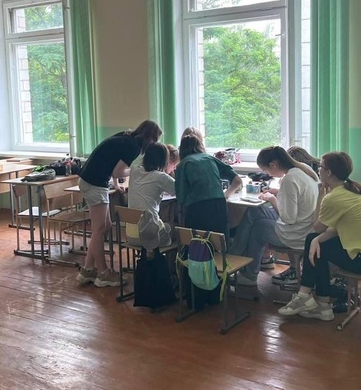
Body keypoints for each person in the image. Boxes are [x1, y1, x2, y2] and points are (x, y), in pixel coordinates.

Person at [278, 152, 361, 322]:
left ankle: (308, 297)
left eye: (320, 167)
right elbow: (337, 228)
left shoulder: (334, 197)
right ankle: (318, 303)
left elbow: (317, 227)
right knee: (315, 243)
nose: (318, 170)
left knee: (314, 242)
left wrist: (320, 196)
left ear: (329, 172)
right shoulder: (353, 190)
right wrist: (317, 240)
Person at [76, 120, 163, 287]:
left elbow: (113, 162)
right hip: (94, 183)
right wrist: (136, 170)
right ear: (150, 138)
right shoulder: (133, 147)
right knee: (99, 229)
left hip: (92, 180)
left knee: (105, 226)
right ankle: (103, 273)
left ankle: (87, 269)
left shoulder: (126, 137)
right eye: (155, 140)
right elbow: (118, 171)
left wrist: (116, 184)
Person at [230, 146, 319, 287]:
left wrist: (272, 199)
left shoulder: (290, 179)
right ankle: (235, 256)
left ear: (273, 165)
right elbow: (299, 197)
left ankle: (247, 273)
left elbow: (289, 219)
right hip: (306, 226)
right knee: (253, 212)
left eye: (266, 170)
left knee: (258, 228)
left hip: (297, 234)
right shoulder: (303, 169)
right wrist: (279, 192)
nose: (267, 174)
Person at [174, 134, 242, 308]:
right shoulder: (210, 158)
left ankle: (197, 295)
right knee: (218, 248)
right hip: (218, 206)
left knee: (197, 249)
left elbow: (181, 198)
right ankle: (217, 291)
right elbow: (237, 179)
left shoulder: (183, 164)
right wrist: (226, 194)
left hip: (197, 209)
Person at [126, 142, 175, 244]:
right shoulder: (161, 177)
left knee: (165, 226)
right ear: (164, 160)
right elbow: (180, 191)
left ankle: (148, 253)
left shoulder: (134, 170)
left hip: (131, 235)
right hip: (150, 236)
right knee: (176, 231)